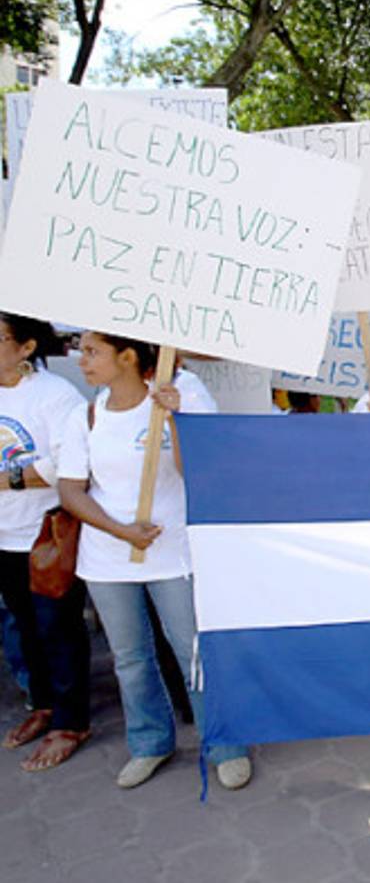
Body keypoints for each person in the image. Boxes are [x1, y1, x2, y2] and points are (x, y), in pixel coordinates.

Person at [57, 332, 252, 790]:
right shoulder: (84, 416)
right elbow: (70, 490)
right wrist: (120, 530)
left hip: (172, 556)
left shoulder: (172, 404)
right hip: (107, 561)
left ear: (126, 357)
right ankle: (150, 743)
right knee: (130, 658)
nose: (80, 360)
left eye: (92, 351)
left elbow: (198, 473)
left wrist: (179, 421)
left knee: (192, 652)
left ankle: (224, 744)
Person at [0, 314, 91, 771]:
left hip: (45, 533)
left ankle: (72, 720)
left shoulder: (56, 396)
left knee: (58, 628)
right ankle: (43, 705)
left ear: (25, 347)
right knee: (24, 628)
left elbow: (66, 463)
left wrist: (7, 479)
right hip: (3, 536)